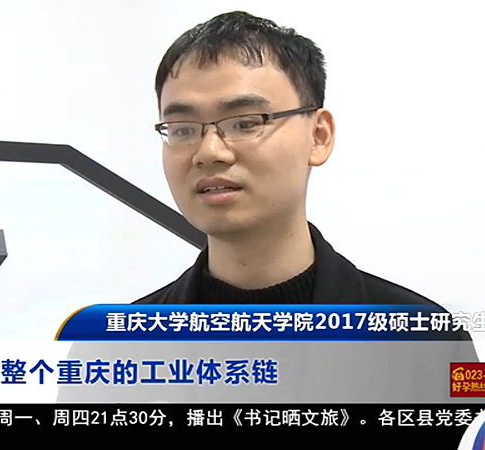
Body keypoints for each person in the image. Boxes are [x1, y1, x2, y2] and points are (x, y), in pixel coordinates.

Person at [133, 11, 461, 320]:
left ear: (318, 136)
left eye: (245, 123)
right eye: (182, 130)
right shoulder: (121, 340)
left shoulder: (420, 336)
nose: (209, 151)